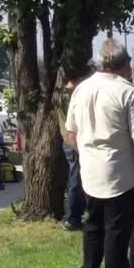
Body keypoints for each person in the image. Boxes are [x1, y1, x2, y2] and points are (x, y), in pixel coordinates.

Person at [63, 38, 134, 268]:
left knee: (93, 222)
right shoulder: (128, 93)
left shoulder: (81, 89)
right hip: (118, 168)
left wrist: (87, 154)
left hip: (90, 166)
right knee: (118, 227)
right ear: (125, 64)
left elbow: (72, 133)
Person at [58, 76, 88, 230]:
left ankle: (75, 214)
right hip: (73, 141)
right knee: (76, 179)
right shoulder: (70, 94)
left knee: (76, 179)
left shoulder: (65, 93)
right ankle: (72, 218)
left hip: (69, 140)